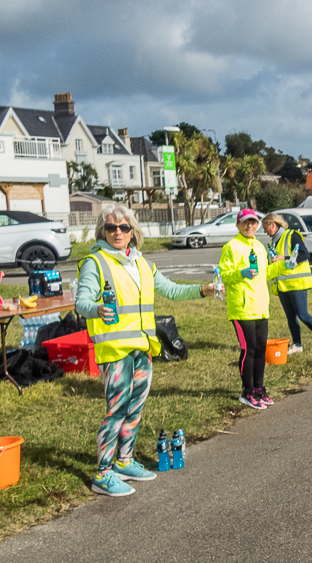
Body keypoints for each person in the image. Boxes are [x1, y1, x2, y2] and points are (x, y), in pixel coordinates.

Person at [75, 205, 215, 497]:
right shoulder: (95, 262)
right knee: (116, 411)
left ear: (132, 231)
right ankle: (103, 473)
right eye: (111, 227)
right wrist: (97, 309)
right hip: (115, 350)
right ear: (103, 230)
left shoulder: (142, 264)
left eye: (124, 228)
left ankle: (124, 461)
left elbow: (172, 290)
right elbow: (81, 302)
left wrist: (203, 289)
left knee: (135, 409)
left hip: (142, 349)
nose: (118, 232)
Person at [220, 208, 273, 409]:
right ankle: (247, 391)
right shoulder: (231, 247)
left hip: (260, 307)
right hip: (242, 308)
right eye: (245, 222)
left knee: (261, 349)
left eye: (253, 222)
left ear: (257, 224)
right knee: (248, 349)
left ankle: (259, 389)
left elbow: (264, 273)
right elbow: (224, 275)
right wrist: (241, 273)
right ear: (238, 224)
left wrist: (283, 266)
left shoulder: (260, 246)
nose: (249, 226)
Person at [261, 212, 312, 356]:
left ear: (273, 225)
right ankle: (297, 345)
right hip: (283, 285)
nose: (264, 231)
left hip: (297, 283)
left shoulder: (291, 235)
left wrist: (284, 257)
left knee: (303, 315)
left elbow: (304, 255)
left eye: (265, 228)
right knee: (290, 317)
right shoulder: (274, 241)